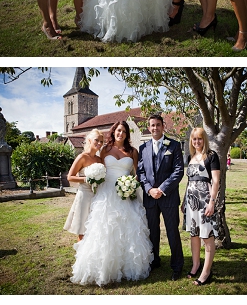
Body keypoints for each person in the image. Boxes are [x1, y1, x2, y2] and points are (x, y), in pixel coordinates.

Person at [71, 121, 153, 285]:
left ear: (127, 134)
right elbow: (100, 169)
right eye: (118, 130)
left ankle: (127, 266)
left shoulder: (132, 151)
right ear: (114, 132)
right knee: (105, 229)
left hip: (125, 193)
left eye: (124, 131)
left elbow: (137, 174)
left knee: (128, 229)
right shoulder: (105, 150)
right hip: (106, 193)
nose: (121, 134)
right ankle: (103, 267)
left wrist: (131, 184)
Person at [137, 114, 185, 280]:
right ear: (148, 127)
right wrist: (149, 189)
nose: (155, 128)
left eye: (158, 125)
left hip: (168, 197)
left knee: (172, 232)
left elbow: (178, 170)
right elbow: (141, 172)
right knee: (152, 231)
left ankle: (177, 265)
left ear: (163, 126)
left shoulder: (174, 145)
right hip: (150, 198)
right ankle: (154, 261)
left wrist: (162, 189)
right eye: (152, 125)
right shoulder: (143, 148)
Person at [184, 128, 221, 286]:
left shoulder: (212, 156)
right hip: (191, 202)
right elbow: (189, 181)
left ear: (204, 139)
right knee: (194, 235)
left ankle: (206, 272)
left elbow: (216, 181)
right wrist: (184, 202)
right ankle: (196, 265)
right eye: (194, 139)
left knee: (207, 236)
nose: (197, 141)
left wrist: (212, 202)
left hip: (205, 201)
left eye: (199, 138)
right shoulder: (190, 157)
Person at [64, 129, 104, 241]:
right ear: (89, 140)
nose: (99, 143)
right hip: (84, 195)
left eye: (101, 141)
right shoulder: (82, 157)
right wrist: (86, 179)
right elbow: (70, 177)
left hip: (97, 196)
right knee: (82, 228)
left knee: (94, 227)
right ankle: (81, 249)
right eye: (97, 140)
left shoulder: (99, 160)